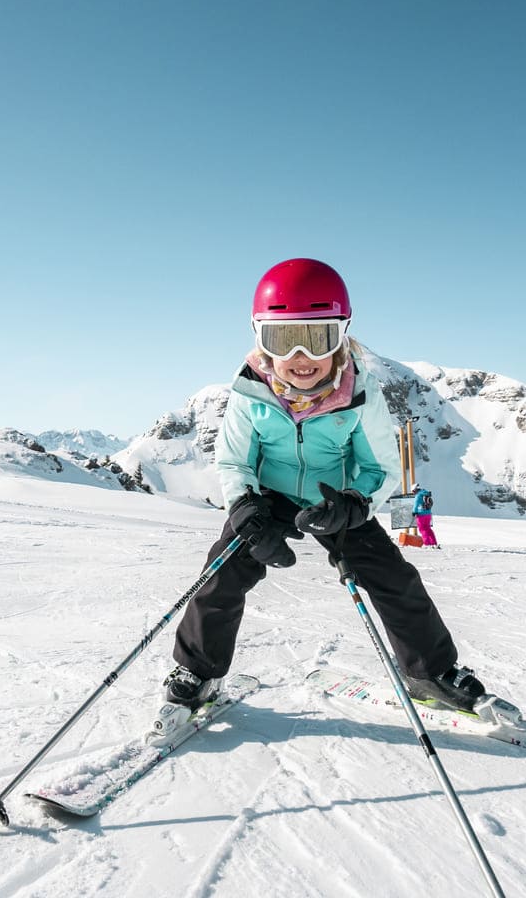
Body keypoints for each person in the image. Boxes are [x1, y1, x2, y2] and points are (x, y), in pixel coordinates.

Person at [164, 258, 502, 717]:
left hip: (336, 498)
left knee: (394, 579)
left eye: (318, 336)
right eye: (282, 339)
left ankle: (430, 672)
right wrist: (244, 504)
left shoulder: (360, 394)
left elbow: (379, 465)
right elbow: (234, 459)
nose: (300, 356)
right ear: (260, 337)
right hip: (268, 496)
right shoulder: (249, 393)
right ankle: (197, 671)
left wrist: (355, 504)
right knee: (223, 573)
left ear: (342, 336)